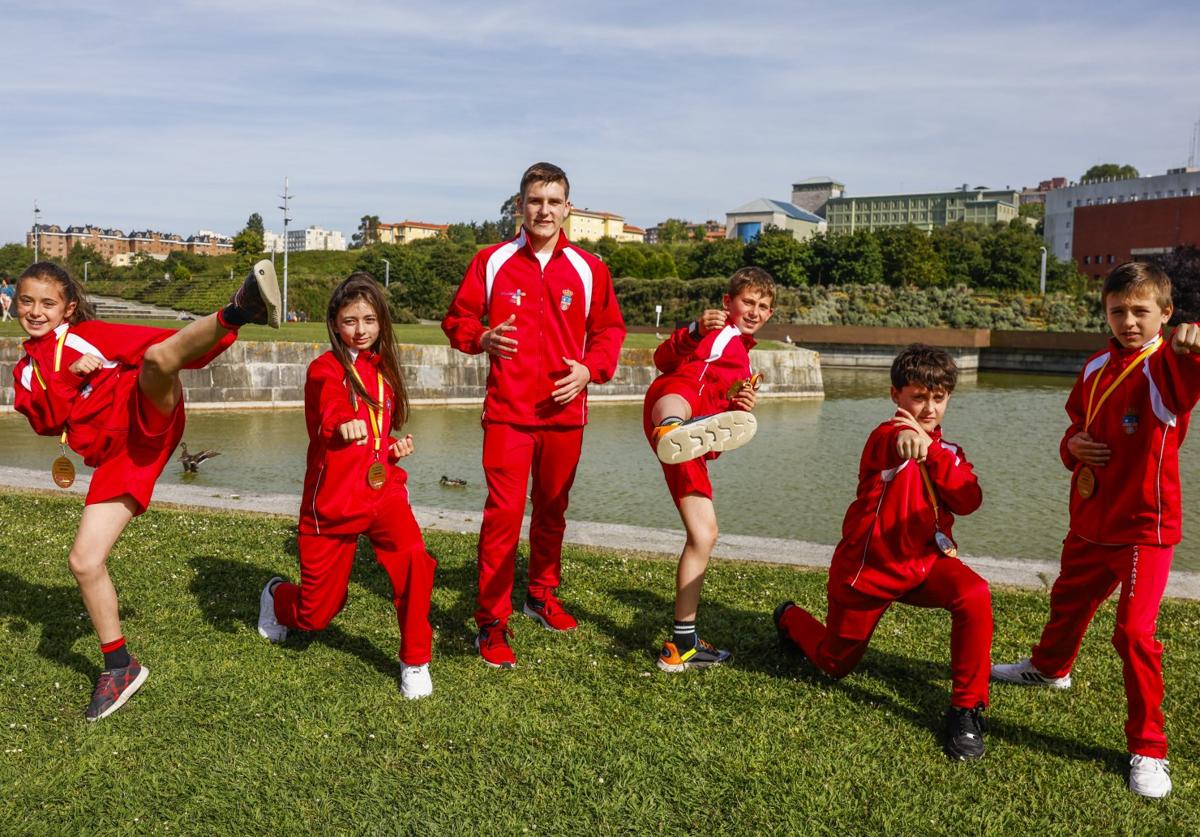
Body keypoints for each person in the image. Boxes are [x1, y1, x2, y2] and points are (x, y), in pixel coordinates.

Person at [12, 258, 280, 720]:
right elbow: (46, 420)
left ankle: (240, 309)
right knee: (83, 560)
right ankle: (120, 666)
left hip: (148, 413)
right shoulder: (24, 370)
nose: (36, 311)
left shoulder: (88, 334)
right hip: (120, 457)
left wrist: (220, 331)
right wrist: (73, 374)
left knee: (157, 360)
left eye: (48, 303)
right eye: (27, 301)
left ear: (68, 308)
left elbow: (166, 346)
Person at [992, 261, 1200, 798]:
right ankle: (1048, 668)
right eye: (1117, 311)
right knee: (1067, 600)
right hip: (1089, 521)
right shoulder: (1093, 367)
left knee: (1133, 634)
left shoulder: (1170, 367)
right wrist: (1072, 446)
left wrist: (1193, 345)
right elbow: (1075, 428)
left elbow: (1190, 374)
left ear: (1166, 314)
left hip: (1142, 530)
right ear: (1104, 313)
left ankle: (1149, 750)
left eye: (1140, 311)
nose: (1128, 321)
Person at [442, 162, 626, 668]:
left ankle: (540, 594)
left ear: (568, 208)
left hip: (566, 414)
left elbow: (610, 333)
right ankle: (491, 622)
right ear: (519, 206)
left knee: (551, 511)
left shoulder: (591, 268)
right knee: (502, 516)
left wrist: (590, 370)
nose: (543, 210)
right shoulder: (492, 260)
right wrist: (480, 337)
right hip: (507, 414)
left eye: (553, 201)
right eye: (534, 200)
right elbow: (456, 320)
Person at [774, 344, 992, 760]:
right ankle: (788, 617)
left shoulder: (950, 452)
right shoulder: (885, 436)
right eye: (918, 397)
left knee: (974, 594)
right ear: (897, 396)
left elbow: (969, 499)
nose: (928, 408)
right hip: (867, 573)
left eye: (938, 398)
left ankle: (966, 710)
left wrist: (933, 450)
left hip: (925, 567)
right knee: (834, 664)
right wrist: (912, 437)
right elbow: (898, 439)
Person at [257, 273, 436, 699]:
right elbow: (331, 407)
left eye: (370, 320)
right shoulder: (324, 369)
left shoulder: (384, 369)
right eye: (350, 320)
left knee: (415, 563)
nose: (361, 330)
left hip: (382, 492)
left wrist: (390, 449)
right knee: (317, 613)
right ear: (335, 323)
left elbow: (374, 434)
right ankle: (277, 597)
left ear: (382, 322)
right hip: (333, 501)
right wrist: (342, 423)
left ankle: (415, 660)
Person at [644, 267, 773, 672]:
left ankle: (682, 645)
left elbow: (719, 417)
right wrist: (694, 331)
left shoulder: (743, 358)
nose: (755, 311)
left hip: (691, 446)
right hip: (671, 405)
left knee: (705, 534)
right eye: (748, 302)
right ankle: (672, 426)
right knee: (684, 392)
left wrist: (739, 405)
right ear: (727, 303)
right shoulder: (718, 334)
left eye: (764, 306)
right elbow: (663, 361)